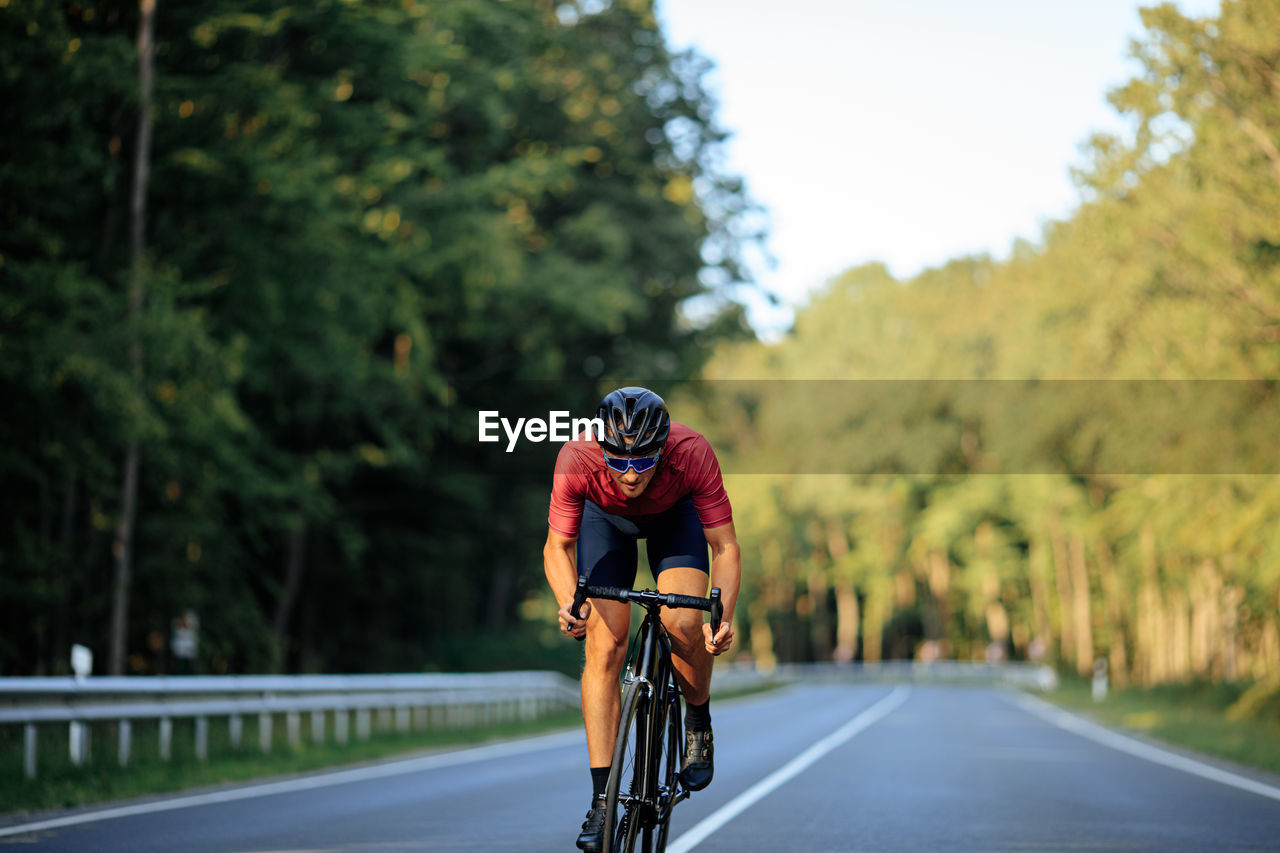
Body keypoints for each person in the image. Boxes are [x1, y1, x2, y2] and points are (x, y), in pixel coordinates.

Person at [543, 386, 740, 852]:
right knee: (604, 642)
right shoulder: (577, 457)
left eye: (643, 461)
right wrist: (569, 601)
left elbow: (726, 547)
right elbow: (557, 546)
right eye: (619, 461)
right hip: (604, 522)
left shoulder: (691, 452)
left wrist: (721, 617)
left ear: (663, 447)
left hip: (676, 519)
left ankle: (697, 718)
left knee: (685, 624)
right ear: (602, 447)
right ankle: (601, 802)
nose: (631, 475)